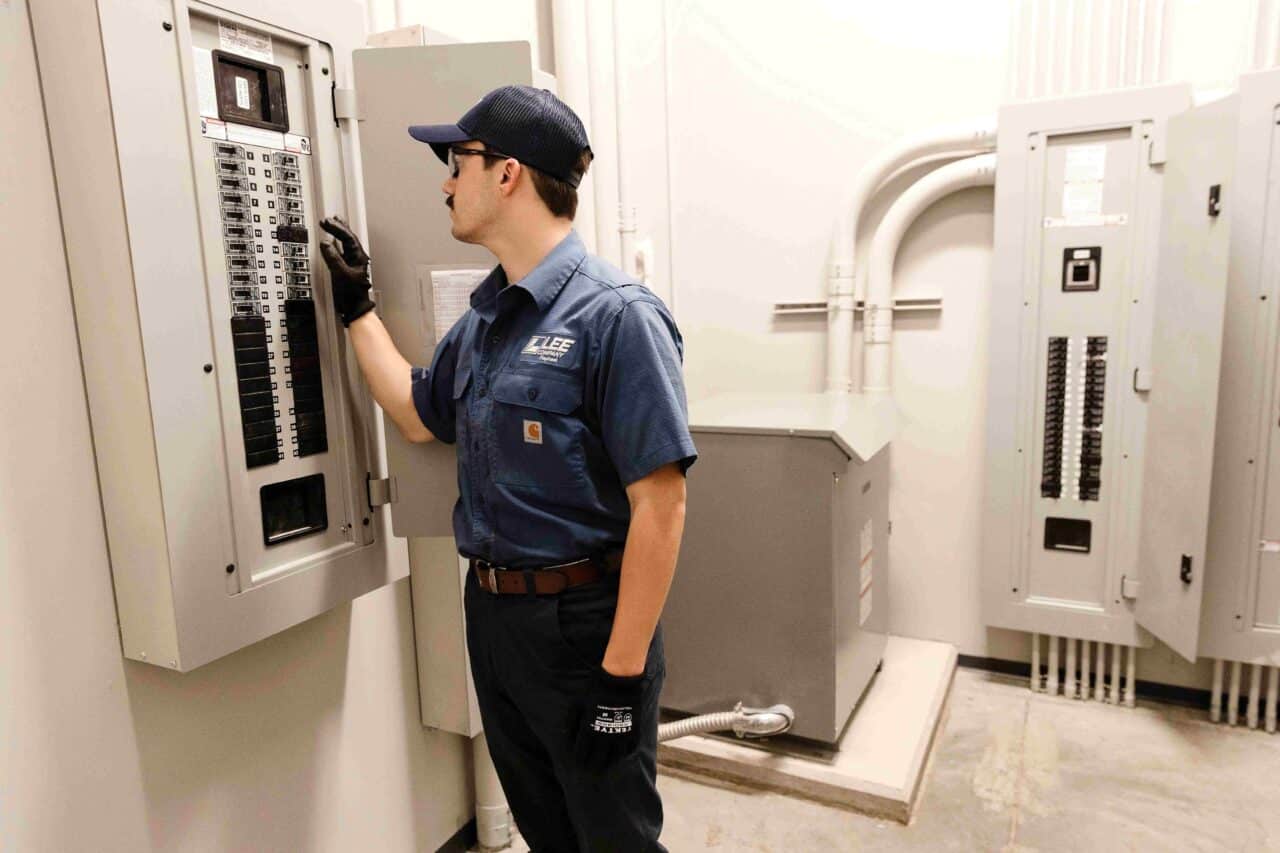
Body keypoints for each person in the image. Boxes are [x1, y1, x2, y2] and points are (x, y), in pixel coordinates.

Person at [318, 84, 695, 852]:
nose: (447, 182)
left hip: (586, 625)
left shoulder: (616, 316)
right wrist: (358, 307)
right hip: (494, 617)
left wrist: (620, 680)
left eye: (459, 162)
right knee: (546, 830)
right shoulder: (487, 318)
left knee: (613, 837)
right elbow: (420, 414)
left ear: (508, 174)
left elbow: (662, 506)